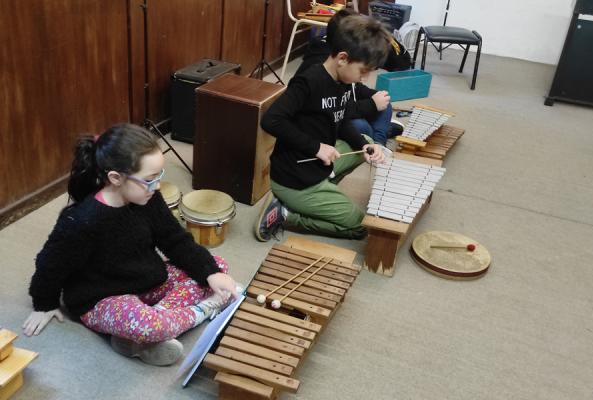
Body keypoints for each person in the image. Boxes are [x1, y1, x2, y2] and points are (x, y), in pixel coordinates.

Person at [23, 123, 240, 366]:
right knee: (151, 325)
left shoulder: (147, 198)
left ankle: (137, 336)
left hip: (147, 282)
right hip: (103, 298)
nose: (157, 185)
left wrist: (210, 273)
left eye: (159, 176)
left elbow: (174, 240)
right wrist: (44, 304)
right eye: (149, 179)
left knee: (217, 266)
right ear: (116, 178)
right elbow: (50, 264)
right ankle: (198, 312)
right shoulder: (82, 221)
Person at [255, 15, 389, 242]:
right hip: (294, 177)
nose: (365, 78)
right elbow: (271, 120)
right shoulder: (308, 81)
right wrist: (315, 147)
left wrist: (366, 146)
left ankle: (324, 187)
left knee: (363, 140)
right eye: (364, 71)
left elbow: (341, 118)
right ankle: (287, 215)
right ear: (343, 59)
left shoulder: (344, 82)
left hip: (317, 165)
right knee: (360, 226)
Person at [295, 9, 408, 145]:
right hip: (330, 121)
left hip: (346, 108)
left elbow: (353, 88)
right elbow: (333, 109)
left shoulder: (347, 64)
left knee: (385, 103)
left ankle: (379, 143)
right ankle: (376, 138)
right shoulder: (319, 69)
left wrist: (374, 96)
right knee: (361, 127)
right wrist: (371, 105)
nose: (365, 76)